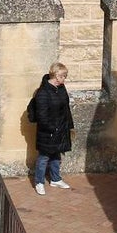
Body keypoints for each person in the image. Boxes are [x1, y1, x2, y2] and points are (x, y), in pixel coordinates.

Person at [33, 62, 73, 196]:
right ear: (56, 75)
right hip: (48, 131)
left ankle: (55, 179)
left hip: (61, 128)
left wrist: (69, 126)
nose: (64, 79)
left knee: (56, 154)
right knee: (44, 157)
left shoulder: (61, 88)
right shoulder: (43, 93)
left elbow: (66, 108)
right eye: (63, 76)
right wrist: (52, 129)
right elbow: (41, 115)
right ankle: (39, 182)